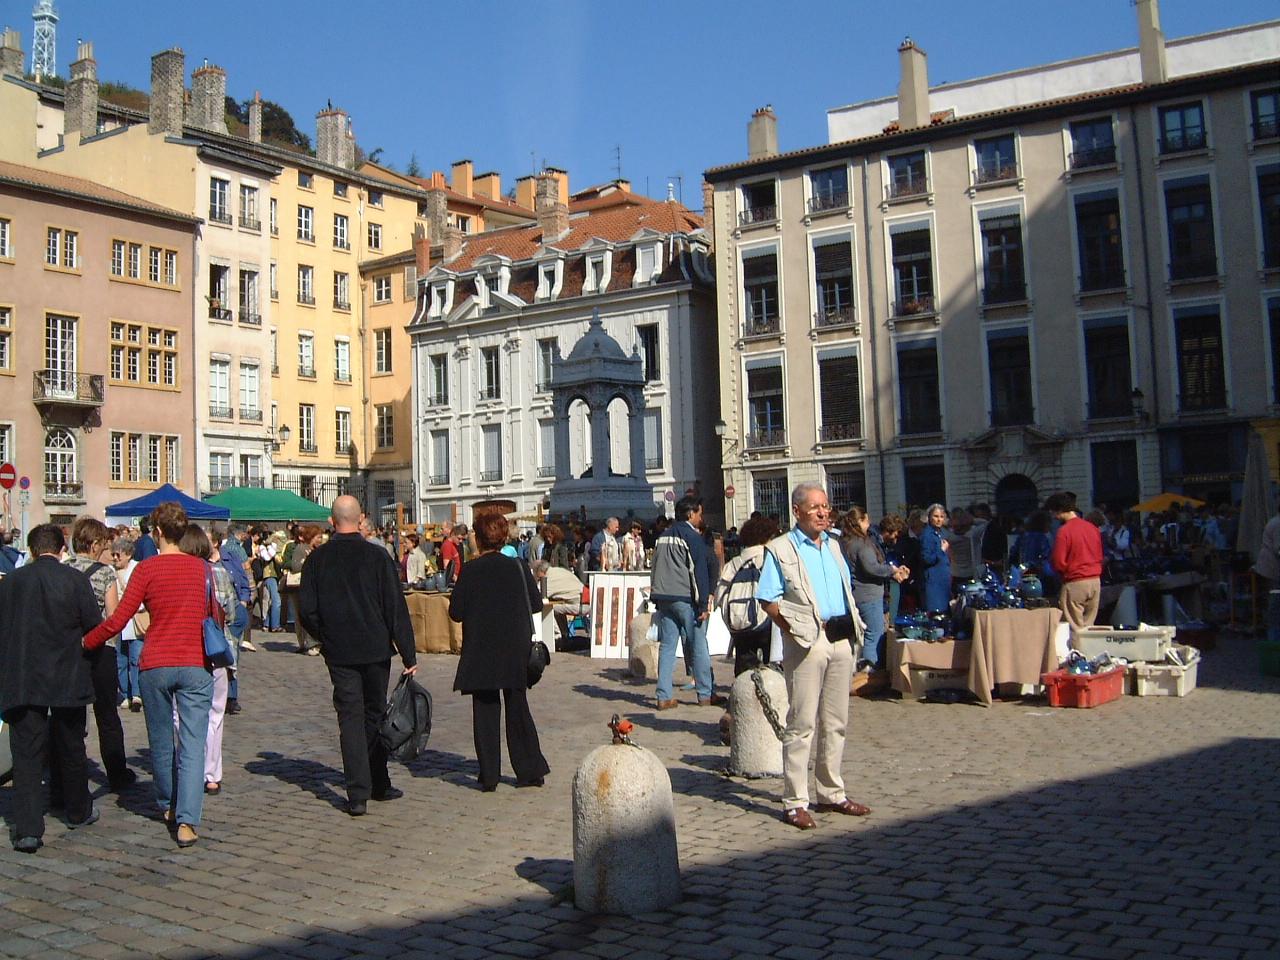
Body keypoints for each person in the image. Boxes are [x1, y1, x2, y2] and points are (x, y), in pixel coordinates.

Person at [84, 502, 215, 849]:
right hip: (195, 662)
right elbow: (213, 613)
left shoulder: (146, 569)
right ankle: (187, 820)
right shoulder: (201, 569)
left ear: (157, 532)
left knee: (161, 741)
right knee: (192, 745)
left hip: (155, 662)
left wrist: (87, 641)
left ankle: (168, 803)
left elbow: (117, 619)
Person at [756, 483, 868, 830]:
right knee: (802, 723)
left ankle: (831, 792)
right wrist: (794, 629)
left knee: (836, 721)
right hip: (808, 640)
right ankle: (795, 801)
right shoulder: (780, 548)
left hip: (840, 637)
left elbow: (846, 587)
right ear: (797, 511)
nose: (823, 513)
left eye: (826, 506)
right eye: (815, 507)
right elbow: (767, 598)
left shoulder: (833, 545)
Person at [298, 496, 417, 817]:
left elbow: (306, 610)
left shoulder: (318, 559)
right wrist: (408, 653)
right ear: (361, 519)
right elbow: (395, 607)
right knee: (374, 714)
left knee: (350, 717)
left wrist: (326, 636)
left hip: (340, 649)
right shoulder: (377, 557)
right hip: (375, 646)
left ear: (331, 521)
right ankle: (377, 781)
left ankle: (358, 792)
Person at [0, 524, 104, 852]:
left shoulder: (11, 582)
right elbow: (94, 626)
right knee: (71, 746)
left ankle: (28, 828)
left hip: (24, 676)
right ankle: (77, 809)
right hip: (66, 674)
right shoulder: (75, 580)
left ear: (32, 551)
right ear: (61, 550)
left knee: (26, 755)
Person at [449, 514, 551, 792]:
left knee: (485, 710)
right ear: (504, 538)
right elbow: (535, 604)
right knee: (518, 707)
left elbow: (456, 612)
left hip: (481, 647)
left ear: (479, 539)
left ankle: (490, 774)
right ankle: (529, 770)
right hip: (514, 646)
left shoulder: (471, 570)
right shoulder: (517, 567)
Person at [64, 517, 134, 790]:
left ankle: (69, 774)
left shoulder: (64, 569)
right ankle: (117, 772)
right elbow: (113, 616)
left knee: (70, 714)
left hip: (69, 650)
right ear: (94, 544)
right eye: (103, 544)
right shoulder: (105, 573)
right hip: (101, 649)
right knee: (106, 714)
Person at [177, 526, 238, 798]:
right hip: (214, 651)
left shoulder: (176, 574)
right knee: (215, 713)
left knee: (181, 713)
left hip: (183, 649)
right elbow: (231, 613)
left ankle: (189, 766)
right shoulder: (219, 574)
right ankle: (211, 774)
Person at [650, 496, 725, 710]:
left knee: (667, 647)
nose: (701, 517)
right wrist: (703, 604)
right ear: (691, 514)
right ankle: (705, 693)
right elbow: (698, 570)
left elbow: (655, 567)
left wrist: (656, 596)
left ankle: (663, 695)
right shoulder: (692, 537)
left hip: (664, 597)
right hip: (685, 598)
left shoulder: (662, 537)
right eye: (699, 513)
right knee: (698, 645)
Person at [842, 507, 909, 691]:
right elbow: (872, 567)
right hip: (868, 594)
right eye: (866, 520)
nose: (869, 523)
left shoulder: (847, 542)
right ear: (859, 522)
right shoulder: (861, 544)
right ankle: (869, 676)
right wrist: (891, 570)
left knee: (864, 634)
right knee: (874, 632)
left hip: (858, 593)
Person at [713, 515, 780, 675]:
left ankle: (742, 688)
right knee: (772, 670)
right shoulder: (771, 559)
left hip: (738, 624)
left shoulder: (734, 563)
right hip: (766, 621)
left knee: (743, 667)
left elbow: (719, 595)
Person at [1046, 492, 1104, 634]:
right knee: (1089, 628)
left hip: (1075, 581)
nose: (1053, 516)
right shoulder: (1092, 528)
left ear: (1059, 510)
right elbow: (1100, 554)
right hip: (1095, 581)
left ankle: (1078, 649)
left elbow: (1058, 561)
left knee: (1074, 629)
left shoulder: (1064, 531)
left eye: (1053, 512)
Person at [110, 537, 145, 712]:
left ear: (128, 554)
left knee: (135, 659)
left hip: (135, 621)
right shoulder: (110, 571)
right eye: (113, 555)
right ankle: (125, 694)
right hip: (118, 621)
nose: (115, 558)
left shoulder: (138, 569)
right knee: (120, 660)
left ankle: (137, 694)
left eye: (118, 555)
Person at [289, 524, 324, 655]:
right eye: (318, 537)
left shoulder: (315, 549)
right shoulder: (301, 548)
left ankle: (309, 643)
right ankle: (307, 643)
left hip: (312, 586)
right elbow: (295, 566)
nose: (320, 540)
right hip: (299, 586)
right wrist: (309, 562)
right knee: (304, 614)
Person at [919, 504, 952, 613]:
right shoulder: (927, 535)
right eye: (936, 516)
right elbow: (927, 559)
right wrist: (941, 550)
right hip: (934, 582)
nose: (939, 520)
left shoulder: (941, 533)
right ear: (929, 517)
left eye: (941, 517)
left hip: (943, 580)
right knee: (935, 613)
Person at [1255, 506, 1280, 643]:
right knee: (1275, 604)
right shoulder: (1278, 524)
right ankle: (1274, 640)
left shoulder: (1275, 521)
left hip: (1271, 568)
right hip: (1273, 570)